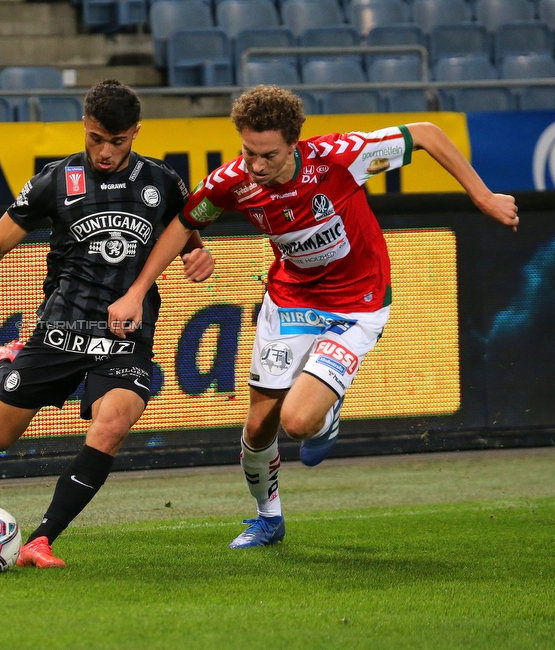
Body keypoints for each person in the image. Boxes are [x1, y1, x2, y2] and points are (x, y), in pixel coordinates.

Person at [108, 84, 519, 549]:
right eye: (248, 152)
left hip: (357, 304)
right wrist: (140, 290)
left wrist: (481, 196)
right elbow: (184, 222)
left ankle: (327, 412)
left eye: (268, 155)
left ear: (294, 143)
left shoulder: (343, 157)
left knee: (299, 423)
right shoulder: (232, 181)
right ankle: (268, 519)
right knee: (258, 425)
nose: (256, 166)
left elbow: (425, 133)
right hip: (290, 301)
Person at [0, 79, 214, 568]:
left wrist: (198, 255)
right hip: (61, 330)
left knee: (114, 423)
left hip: (125, 338)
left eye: (117, 141)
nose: (105, 151)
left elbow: (186, 238)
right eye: (96, 138)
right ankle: (8, 359)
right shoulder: (54, 181)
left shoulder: (162, 182)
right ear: (85, 125)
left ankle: (42, 539)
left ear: (136, 133)